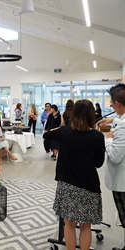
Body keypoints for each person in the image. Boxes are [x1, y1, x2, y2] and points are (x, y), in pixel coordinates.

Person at [44, 99, 105, 250]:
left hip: (67, 185)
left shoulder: (65, 132)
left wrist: (61, 128)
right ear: (91, 115)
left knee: (69, 223)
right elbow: (98, 163)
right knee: (86, 225)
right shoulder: (97, 137)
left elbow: (46, 136)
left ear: (73, 114)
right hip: (89, 186)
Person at [97, 83, 125, 250]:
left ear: (118, 104)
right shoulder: (120, 120)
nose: (111, 106)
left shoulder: (122, 127)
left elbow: (115, 156)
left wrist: (108, 138)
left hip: (122, 183)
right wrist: (112, 119)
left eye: (112, 103)